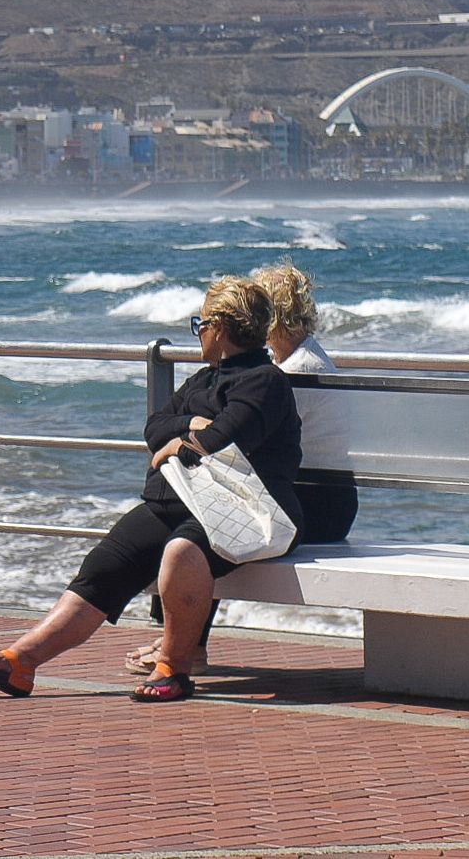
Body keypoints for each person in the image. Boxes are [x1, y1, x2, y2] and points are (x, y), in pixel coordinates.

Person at [0, 276, 303, 703]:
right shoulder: (203, 380)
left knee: (181, 553)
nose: (198, 333)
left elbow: (225, 443)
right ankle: (20, 663)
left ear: (222, 328)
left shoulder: (263, 381)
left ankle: (174, 670)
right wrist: (188, 428)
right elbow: (154, 428)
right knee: (106, 564)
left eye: (201, 324)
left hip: (246, 512)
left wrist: (183, 441)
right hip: (181, 502)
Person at [125, 261, 351, 677]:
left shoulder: (293, 373)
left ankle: (187, 644)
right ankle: (182, 640)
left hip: (314, 502)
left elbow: (241, 439)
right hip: (301, 491)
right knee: (198, 518)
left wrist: (195, 425)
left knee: (205, 524)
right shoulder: (290, 362)